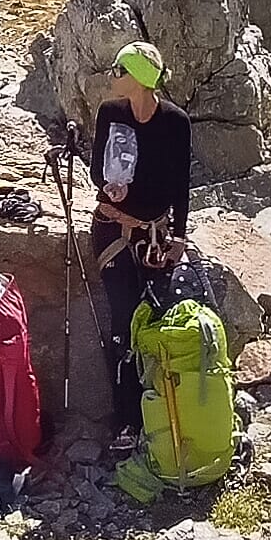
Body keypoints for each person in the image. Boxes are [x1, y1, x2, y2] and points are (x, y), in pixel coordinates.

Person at [88, 42, 194, 407]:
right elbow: (95, 170)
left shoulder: (175, 122)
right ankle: (127, 414)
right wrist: (108, 187)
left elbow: (180, 183)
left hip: (156, 231)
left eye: (120, 70)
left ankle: (159, 407)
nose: (113, 76)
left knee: (155, 312)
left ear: (139, 79)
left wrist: (178, 236)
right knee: (124, 312)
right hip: (113, 227)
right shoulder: (109, 113)